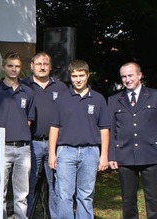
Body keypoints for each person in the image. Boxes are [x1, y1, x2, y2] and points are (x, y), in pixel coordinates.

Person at [49, 59, 110, 219]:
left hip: (90, 153)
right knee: (64, 195)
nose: (78, 79)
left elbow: (104, 129)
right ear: (70, 76)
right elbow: (54, 127)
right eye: (74, 75)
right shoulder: (61, 98)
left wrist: (104, 155)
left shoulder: (98, 99)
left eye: (81, 75)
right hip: (66, 151)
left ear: (88, 75)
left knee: (86, 195)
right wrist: (52, 153)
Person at [0, 52, 35, 219]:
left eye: (17, 66)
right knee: (1, 190)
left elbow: (29, 120)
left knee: (22, 193)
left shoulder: (28, 92)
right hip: (2, 147)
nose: (14, 69)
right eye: (10, 66)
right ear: (3, 67)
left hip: (23, 148)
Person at [20, 52, 67, 218]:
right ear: (32, 66)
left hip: (56, 145)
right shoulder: (23, 85)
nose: (42, 67)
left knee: (56, 186)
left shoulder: (61, 88)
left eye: (45, 64)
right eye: (38, 64)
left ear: (50, 66)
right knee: (28, 185)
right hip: (32, 143)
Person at [108, 62, 157, 219]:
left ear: (140, 75)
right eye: (124, 76)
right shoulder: (114, 100)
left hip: (151, 154)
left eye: (130, 75)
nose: (127, 79)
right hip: (125, 155)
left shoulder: (154, 96)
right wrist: (112, 155)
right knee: (128, 201)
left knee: (154, 200)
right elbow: (111, 130)